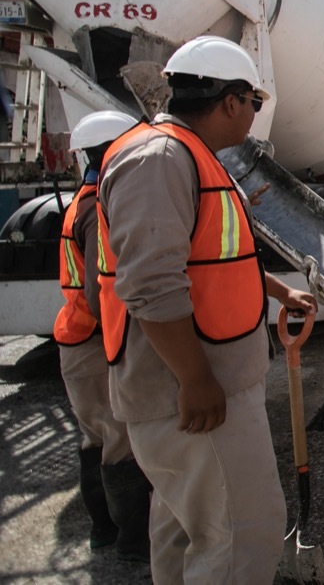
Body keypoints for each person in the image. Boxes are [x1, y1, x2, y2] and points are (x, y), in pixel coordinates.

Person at [96, 36, 317, 583]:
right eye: (254, 103)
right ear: (230, 101)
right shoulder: (161, 159)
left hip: (201, 388)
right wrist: (195, 378)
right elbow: (150, 282)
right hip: (195, 397)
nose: (254, 116)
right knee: (241, 534)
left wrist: (278, 291)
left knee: (184, 533)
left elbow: (209, 259)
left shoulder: (190, 157)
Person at [58, 110, 151, 563]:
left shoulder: (82, 199)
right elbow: (101, 296)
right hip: (94, 341)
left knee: (94, 437)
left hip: (77, 339)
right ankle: (133, 540)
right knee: (118, 441)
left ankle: (103, 531)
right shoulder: (97, 208)